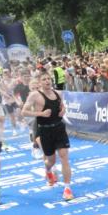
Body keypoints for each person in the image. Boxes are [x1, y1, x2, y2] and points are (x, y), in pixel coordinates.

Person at [23, 73, 74, 201]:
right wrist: (41, 113)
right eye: (44, 79)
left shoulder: (58, 93)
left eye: (49, 79)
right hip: (45, 131)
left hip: (59, 129)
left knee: (64, 158)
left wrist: (63, 111)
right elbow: (24, 111)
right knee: (51, 160)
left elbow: (62, 108)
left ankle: (67, 188)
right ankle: (48, 171)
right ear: (40, 83)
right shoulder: (35, 95)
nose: (47, 81)